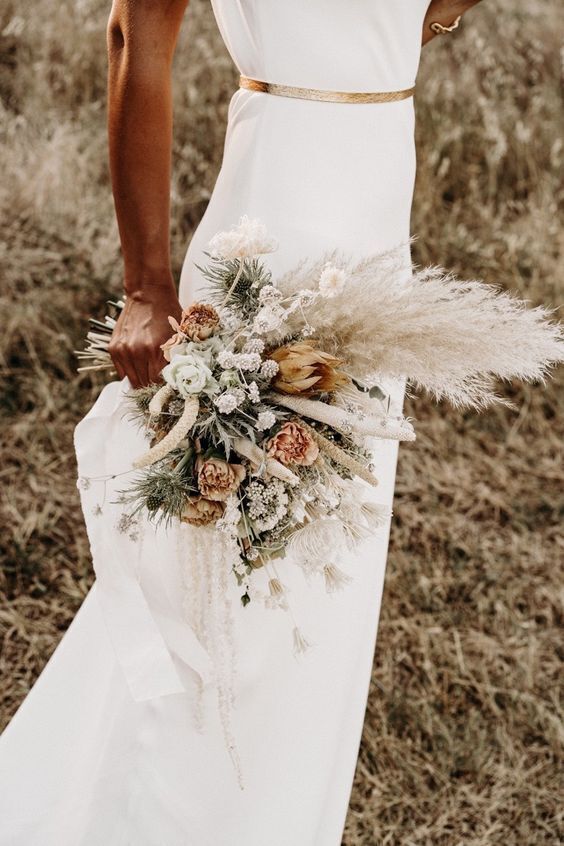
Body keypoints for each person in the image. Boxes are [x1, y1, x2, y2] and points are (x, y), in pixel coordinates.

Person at [0, 2, 484, 844]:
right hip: (271, 238)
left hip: (377, 247)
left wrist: (413, 24)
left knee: (323, 602)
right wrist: (148, 287)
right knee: (215, 588)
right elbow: (135, 34)